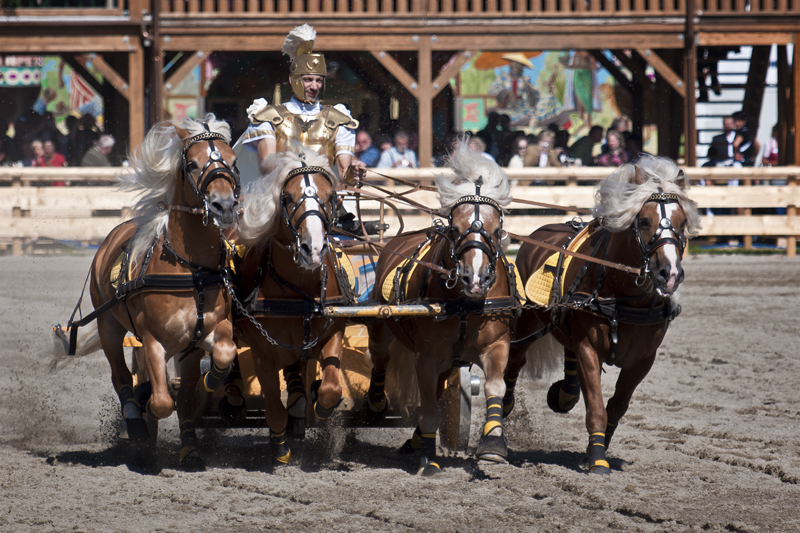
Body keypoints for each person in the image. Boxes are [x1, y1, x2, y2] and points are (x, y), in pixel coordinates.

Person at [240, 24, 365, 184]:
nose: (314, 86)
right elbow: (267, 168)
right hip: (280, 199)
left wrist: (353, 173)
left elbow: (343, 175)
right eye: (308, 80)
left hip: (324, 200)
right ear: (292, 80)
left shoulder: (339, 120)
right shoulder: (269, 117)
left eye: (318, 80)